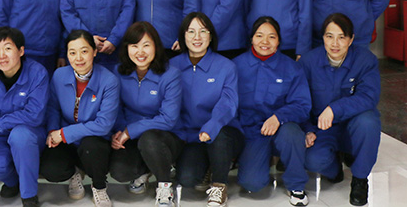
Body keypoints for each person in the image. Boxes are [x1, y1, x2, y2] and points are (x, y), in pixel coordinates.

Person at [299, 13, 381, 207]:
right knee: (312, 160)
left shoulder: (365, 60)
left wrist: (334, 109)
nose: (335, 43)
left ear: (351, 39)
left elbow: (369, 96)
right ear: (323, 38)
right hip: (323, 129)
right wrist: (307, 129)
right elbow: (299, 101)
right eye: (329, 36)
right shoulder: (308, 62)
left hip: (354, 124)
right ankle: (334, 167)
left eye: (341, 37)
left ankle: (360, 179)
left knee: (369, 122)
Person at [233, 17, 312, 206]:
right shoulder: (236, 66)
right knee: (252, 183)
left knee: (292, 133)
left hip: (282, 129)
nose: (265, 42)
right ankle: (262, 161)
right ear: (251, 39)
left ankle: (296, 185)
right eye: (259, 36)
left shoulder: (292, 68)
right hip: (252, 133)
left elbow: (302, 105)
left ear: (279, 41)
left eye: (272, 37)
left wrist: (279, 117)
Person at [169, 12, 244, 207]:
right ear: (183, 36)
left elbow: (228, 103)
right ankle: (210, 165)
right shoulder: (172, 66)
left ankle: (219, 184)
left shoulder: (226, 66)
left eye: (203, 31)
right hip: (192, 136)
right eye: (191, 31)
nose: (197, 37)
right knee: (187, 178)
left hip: (223, 131)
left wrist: (212, 126)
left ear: (211, 36)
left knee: (220, 137)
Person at [40, 30, 120, 207]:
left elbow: (104, 124)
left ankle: (99, 186)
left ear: (94, 52)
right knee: (51, 169)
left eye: (84, 51)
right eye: (72, 52)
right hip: (66, 138)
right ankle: (74, 172)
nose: (78, 58)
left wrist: (63, 133)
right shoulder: (59, 75)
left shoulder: (109, 81)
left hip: (94, 138)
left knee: (92, 147)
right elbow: (53, 108)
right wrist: (53, 131)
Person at [0, 27, 50, 207]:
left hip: (30, 134)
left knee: (20, 136)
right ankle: (13, 181)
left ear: (21, 50)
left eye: (8, 48)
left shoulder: (37, 73)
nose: (1, 55)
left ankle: (29, 195)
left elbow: (34, 114)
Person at [109, 22, 182, 207]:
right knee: (120, 172)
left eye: (146, 45)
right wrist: (120, 132)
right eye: (134, 46)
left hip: (163, 136)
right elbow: (116, 108)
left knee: (149, 140)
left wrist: (130, 131)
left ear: (156, 47)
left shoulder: (170, 74)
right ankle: (148, 169)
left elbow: (168, 119)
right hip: (132, 135)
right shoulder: (118, 72)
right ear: (127, 48)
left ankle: (165, 186)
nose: (140, 52)